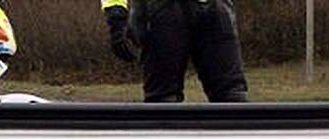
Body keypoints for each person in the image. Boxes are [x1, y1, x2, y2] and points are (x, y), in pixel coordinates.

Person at [101, 0, 248, 103]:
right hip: (160, 12)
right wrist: (116, 16)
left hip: (215, 10)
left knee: (233, 98)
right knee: (163, 104)